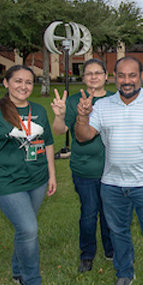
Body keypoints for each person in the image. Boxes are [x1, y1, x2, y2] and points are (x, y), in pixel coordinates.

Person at [74, 56, 143, 285]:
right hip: (112, 184)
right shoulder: (103, 105)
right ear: (114, 77)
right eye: (121, 75)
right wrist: (82, 117)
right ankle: (124, 275)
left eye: (132, 75)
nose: (127, 80)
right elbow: (84, 136)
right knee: (119, 233)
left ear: (142, 76)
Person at [0, 65, 57, 285]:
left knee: (23, 230)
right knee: (29, 228)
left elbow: (48, 143)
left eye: (29, 82)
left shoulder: (38, 110)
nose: (23, 86)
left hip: (37, 180)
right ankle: (32, 283)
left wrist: (51, 175)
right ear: (6, 82)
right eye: (18, 81)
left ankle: (17, 269)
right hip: (7, 182)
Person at [51, 58, 114, 273]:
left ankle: (111, 249)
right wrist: (60, 115)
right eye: (89, 73)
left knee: (110, 213)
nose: (94, 77)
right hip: (85, 169)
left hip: (113, 169)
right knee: (89, 213)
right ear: (83, 77)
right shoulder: (73, 101)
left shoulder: (115, 100)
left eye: (98, 73)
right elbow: (59, 131)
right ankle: (87, 255)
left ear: (106, 76)